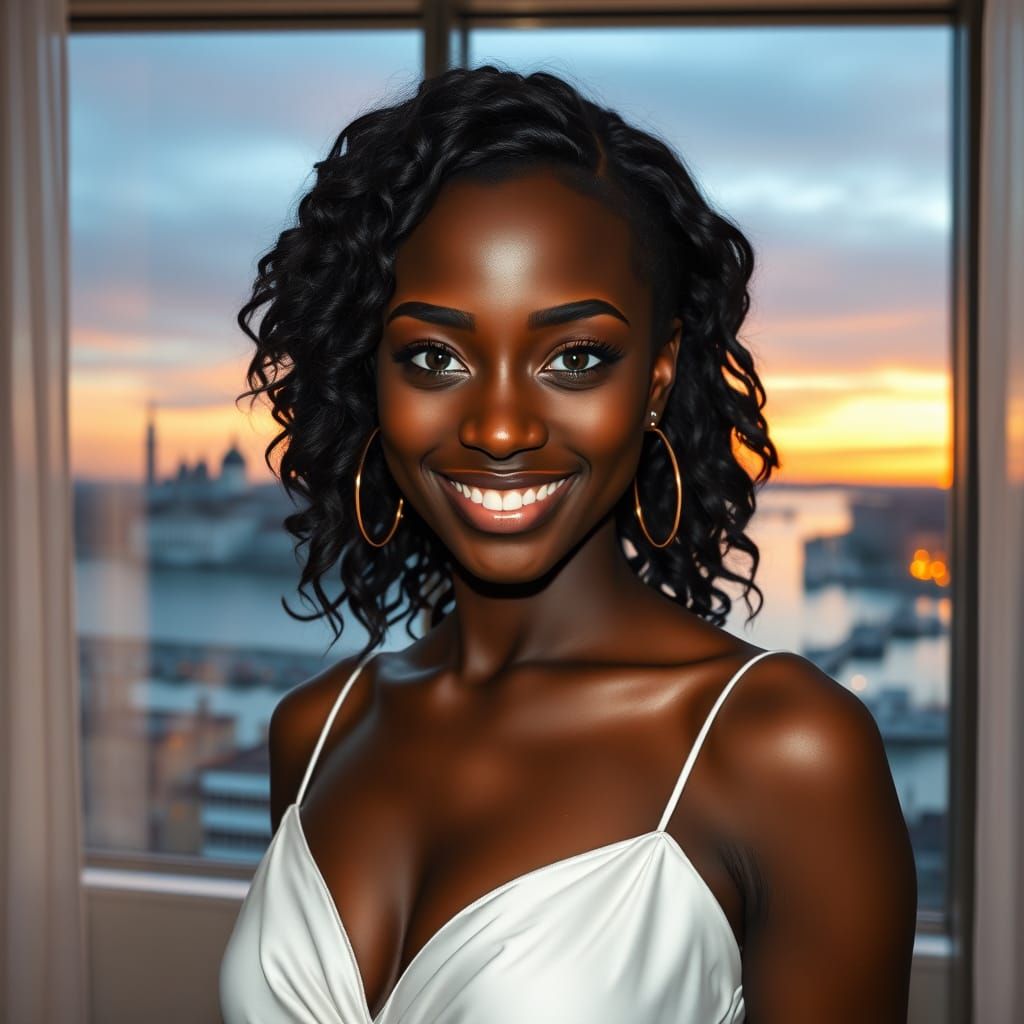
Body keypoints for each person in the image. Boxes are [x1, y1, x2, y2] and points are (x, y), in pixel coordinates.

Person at [219, 64, 917, 1023]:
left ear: (660, 377)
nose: (500, 427)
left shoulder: (782, 751)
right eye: (435, 356)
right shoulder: (315, 730)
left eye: (574, 358)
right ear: (368, 374)